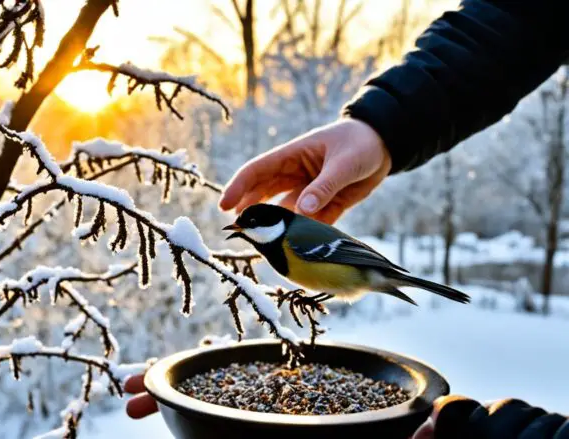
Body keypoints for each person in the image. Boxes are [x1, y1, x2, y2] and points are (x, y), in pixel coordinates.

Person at [125, 1, 569, 437]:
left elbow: (349, 262)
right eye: (243, 230)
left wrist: (368, 281)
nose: (245, 235)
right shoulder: (288, 244)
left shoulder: (297, 240)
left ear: (275, 225)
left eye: (250, 226)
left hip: (360, 269)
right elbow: (513, 22)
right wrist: (378, 128)